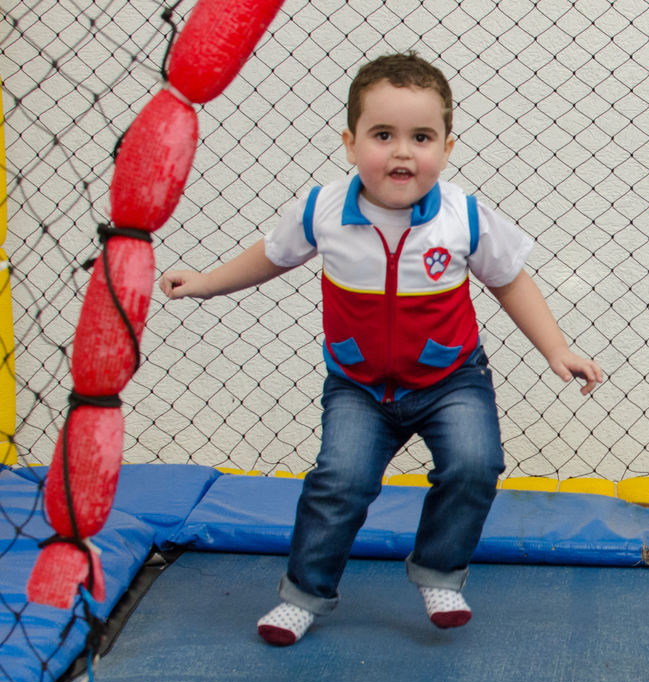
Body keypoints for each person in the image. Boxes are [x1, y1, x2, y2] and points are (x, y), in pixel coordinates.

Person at [160, 52, 604, 646]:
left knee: (475, 464)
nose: (402, 152)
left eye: (421, 137)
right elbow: (271, 256)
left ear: (447, 147)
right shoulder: (323, 210)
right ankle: (304, 595)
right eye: (382, 135)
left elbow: (509, 281)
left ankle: (438, 573)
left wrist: (556, 348)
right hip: (359, 385)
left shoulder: (463, 216)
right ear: (350, 144)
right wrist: (208, 282)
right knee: (338, 482)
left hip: (450, 379)